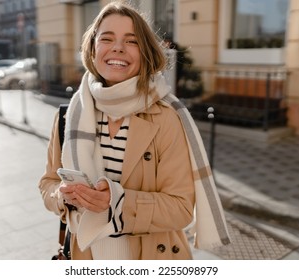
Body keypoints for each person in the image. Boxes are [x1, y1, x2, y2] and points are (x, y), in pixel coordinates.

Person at [39, 1, 230, 260]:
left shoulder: (167, 118)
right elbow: (48, 183)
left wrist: (117, 203)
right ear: (93, 49)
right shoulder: (68, 115)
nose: (117, 47)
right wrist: (61, 196)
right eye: (107, 38)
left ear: (145, 53)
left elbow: (181, 208)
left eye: (131, 41)